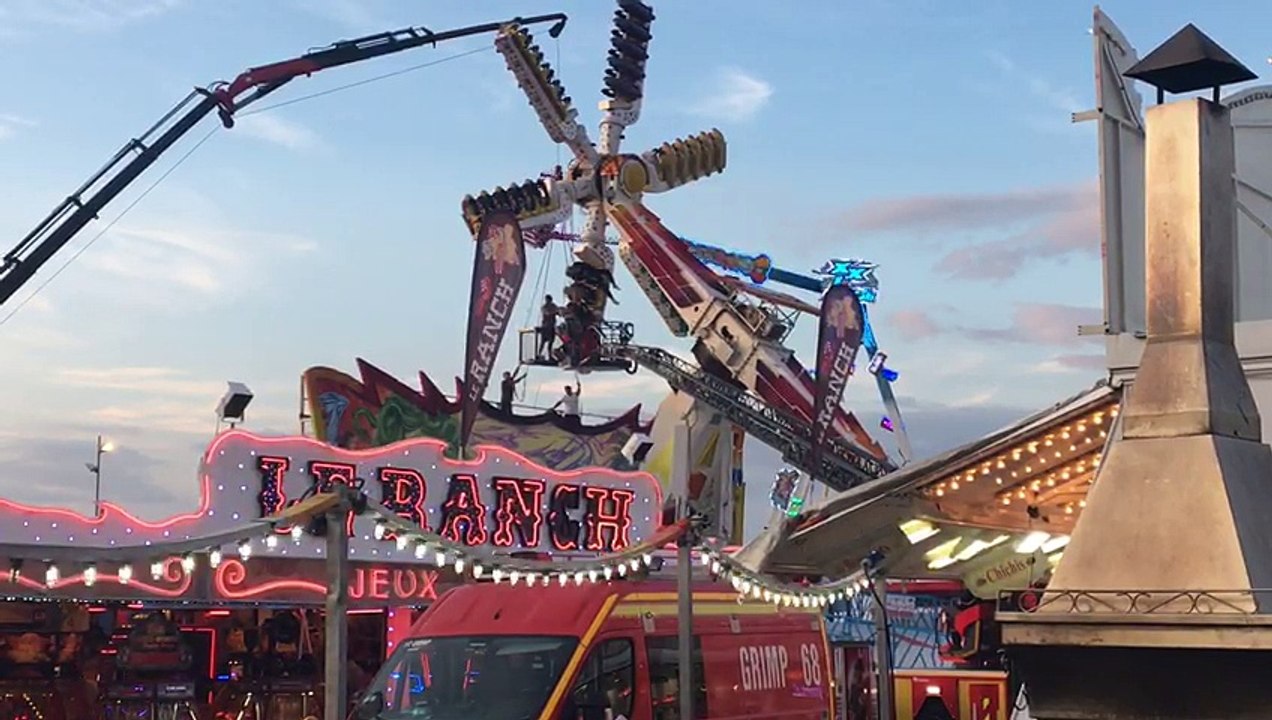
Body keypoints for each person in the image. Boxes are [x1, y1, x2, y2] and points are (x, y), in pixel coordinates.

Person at [537, 295, 560, 359]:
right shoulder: (544, 307)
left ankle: (550, 355)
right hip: (545, 327)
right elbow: (547, 312)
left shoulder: (553, 306)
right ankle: (539, 354)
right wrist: (554, 312)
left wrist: (557, 311)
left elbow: (558, 312)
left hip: (551, 326)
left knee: (551, 342)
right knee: (543, 342)